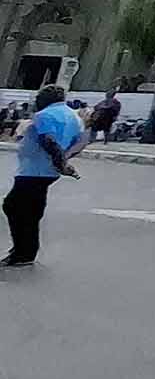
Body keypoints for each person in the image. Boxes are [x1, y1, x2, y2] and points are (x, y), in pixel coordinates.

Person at [6, 84, 86, 267]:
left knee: (13, 207)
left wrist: (61, 162)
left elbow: (48, 141)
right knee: (32, 209)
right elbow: (81, 141)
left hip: (33, 170)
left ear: (45, 99)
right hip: (48, 172)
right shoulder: (74, 116)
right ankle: (25, 250)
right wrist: (65, 158)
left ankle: (22, 253)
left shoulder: (45, 116)